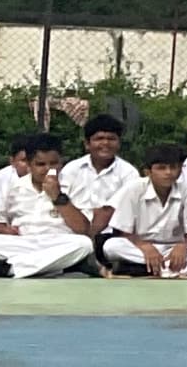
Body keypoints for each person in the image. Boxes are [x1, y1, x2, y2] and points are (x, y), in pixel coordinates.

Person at [0, 133, 101, 277]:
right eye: (41, 164)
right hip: (24, 242)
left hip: (59, 242)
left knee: (83, 244)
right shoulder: (14, 187)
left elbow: (83, 229)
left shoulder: (75, 185)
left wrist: (58, 196)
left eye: (53, 164)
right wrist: (6, 230)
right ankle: (54, 267)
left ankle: (11, 269)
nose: (48, 169)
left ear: (61, 163)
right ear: (29, 165)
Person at [108, 144, 187, 278]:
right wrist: (144, 246)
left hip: (175, 246)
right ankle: (175, 269)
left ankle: (153, 268)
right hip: (141, 246)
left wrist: (183, 246)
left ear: (180, 170)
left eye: (173, 167)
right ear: (148, 172)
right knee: (111, 246)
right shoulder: (133, 189)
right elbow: (123, 231)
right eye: (161, 168)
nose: (168, 172)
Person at [58, 115, 141, 268]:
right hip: (73, 229)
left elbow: (117, 212)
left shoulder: (129, 173)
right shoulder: (71, 169)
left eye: (111, 138)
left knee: (113, 246)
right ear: (87, 144)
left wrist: (93, 232)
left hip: (109, 233)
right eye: (99, 138)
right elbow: (61, 202)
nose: (105, 143)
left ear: (119, 143)